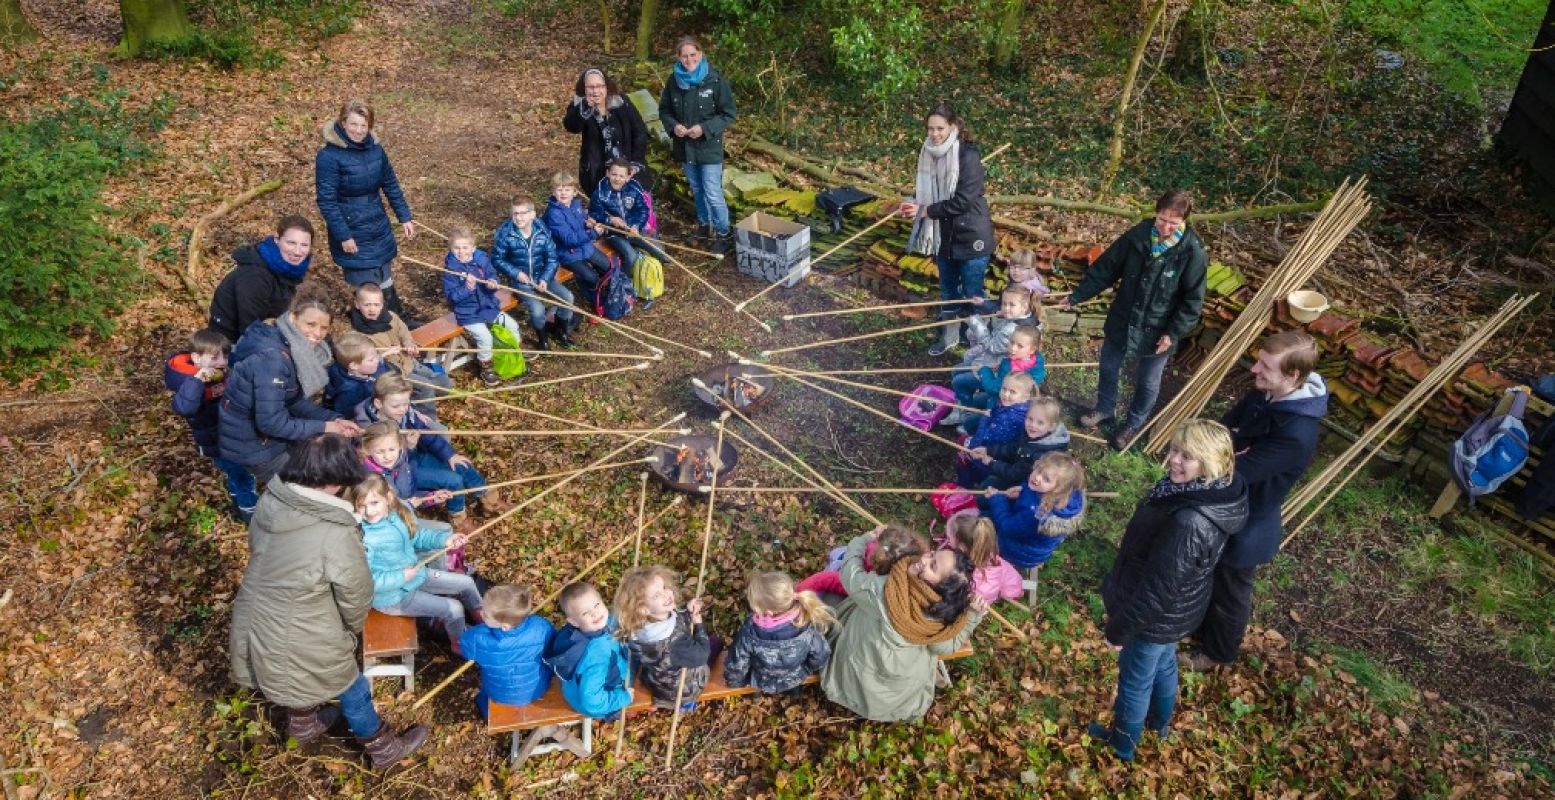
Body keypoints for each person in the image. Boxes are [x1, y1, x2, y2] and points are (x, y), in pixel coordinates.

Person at [228, 434, 428, 769]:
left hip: (258, 610)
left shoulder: (272, 500)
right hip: (306, 624)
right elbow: (356, 593)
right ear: (335, 481)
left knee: (292, 669)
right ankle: (382, 748)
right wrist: (348, 631)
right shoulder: (335, 531)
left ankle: (303, 724)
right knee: (350, 683)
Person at [1088, 419, 1248, 762]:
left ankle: (1121, 747)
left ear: (1209, 463)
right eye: (1175, 450)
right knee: (1163, 666)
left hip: (1153, 618)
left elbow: (1156, 592)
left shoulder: (1189, 522)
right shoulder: (1213, 490)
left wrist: (1119, 630)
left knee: (1134, 682)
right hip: (1180, 610)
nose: (1174, 460)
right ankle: (1159, 725)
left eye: (1187, 456)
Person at [1185, 332, 1327, 671]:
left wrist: (1218, 453)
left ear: (1292, 376)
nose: (1254, 370)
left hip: (1249, 520)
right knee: (1206, 573)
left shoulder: (1297, 433)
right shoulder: (1265, 393)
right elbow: (1223, 430)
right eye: (1259, 360)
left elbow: (1237, 470)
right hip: (1225, 503)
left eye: (1265, 365)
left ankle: (1217, 653)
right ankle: (1195, 627)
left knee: (1230, 593)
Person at [1062, 189, 1208, 450]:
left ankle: (1132, 424)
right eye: (1161, 219)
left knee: (1148, 381)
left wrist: (1173, 333)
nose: (1165, 227)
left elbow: (1192, 301)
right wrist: (1077, 296)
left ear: (1184, 221)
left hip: (1159, 328)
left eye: (1173, 223)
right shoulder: (1138, 236)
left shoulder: (1192, 252)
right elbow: (1107, 268)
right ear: (1156, 213)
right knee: (1108, 365)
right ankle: (1105, 408)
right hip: (1123, 318)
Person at [821, 526, 986, 722]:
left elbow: (849, 571)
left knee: (830, 600)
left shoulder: (881, 591)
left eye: (933, 566)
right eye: (932, 554)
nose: (923, 560)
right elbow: (945, 646)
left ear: (941, 586)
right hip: (900, 698)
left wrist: (863, 540)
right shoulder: (944, 613)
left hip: (854, 683)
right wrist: (973, 616)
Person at [220, 284, 360, 484]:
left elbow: (292, 400)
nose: (317, 334)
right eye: (310, 324)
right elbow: (271, 422)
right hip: (255, 444)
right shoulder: (273, 359)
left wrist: (333, 420)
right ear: (293, 317)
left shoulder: (292, 346)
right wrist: (326, 426)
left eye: (323, 328)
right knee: (305, 486)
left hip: (268, 435)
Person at [899, 103, 997, 357]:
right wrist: (915, 205)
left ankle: (980, 340)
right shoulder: (928, 152)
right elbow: (927, 193)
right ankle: (950, 337)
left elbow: (963, 200)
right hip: (943, 236)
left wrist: (925, 211)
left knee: (973, 292)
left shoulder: (968, 155)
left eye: (940, 128)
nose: (934, 134)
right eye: (930, 129)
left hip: (971, 234)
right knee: (948, 291)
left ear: (953, 126)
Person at [352, 474, 479, 655]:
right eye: (361, 505)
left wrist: (445, 540)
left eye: (374, 503)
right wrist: (400, 577)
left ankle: (482, 619)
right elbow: (366, 581)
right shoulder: (362, 538)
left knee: (466, 582)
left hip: (416, 574)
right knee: (454, 608)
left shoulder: (396, 516)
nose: (369, 511)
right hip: (394, 597)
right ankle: (460, 644)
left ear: (388, 499)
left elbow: (417, 536)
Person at [315, 98, 417, 322]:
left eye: (363, 125)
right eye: (353, 124)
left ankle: (396, 320)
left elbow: (390, 183)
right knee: (365, 284)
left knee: (384, 273)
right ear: (343, 123)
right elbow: (326, 201)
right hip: (352, 229)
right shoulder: (328, 157)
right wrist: (344, 235)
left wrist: (404, 216)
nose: (359, 131)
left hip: (377, 224)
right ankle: (371, 328)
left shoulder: (375, 150)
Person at [164, 329, 257, 522]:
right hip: (216, 442)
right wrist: (198, 379)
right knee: (244, 478)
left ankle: (238, 506)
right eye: (214, 357)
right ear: (196, 358)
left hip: (233, 436)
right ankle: (252, 516)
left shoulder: (222, 373)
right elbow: (184, 407)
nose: (222, 362)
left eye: (224, 356)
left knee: (237, 475)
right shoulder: (188, 381)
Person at [659, 35, 736, 250]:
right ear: (678, 57)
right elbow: (664, 110)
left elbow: (728, 114)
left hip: (709, 147)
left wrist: (704, 129)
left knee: (712, 190)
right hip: (685, 148)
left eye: (693, 54)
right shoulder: (673, 80)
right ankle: (704, 226)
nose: (689, 59)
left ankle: (723, 233)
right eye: (684, 56)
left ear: (700, 54)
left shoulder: (716, 80)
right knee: (697, 188)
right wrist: (674, 126)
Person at [613, 565, 712, 711]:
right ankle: (685, 704)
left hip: (656, 680)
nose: (666, 594)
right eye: (657, 595)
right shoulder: (674, 644)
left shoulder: (640, 627)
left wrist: (687, 611)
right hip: (680, 690)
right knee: (714, 644)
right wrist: (698, 624)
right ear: (643, 608)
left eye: (665, 587)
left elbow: (675, 621)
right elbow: (703, 654)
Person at [346, 282, 450, 416]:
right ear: (357, 304)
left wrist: (408, 343)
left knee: (443, 381)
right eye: (367, 305)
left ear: (382, 304)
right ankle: (426, 419)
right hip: (395, 372)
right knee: (426, 388)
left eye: (376, 305)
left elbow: (403, 332)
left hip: (408, 361)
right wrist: (385, 354)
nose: (372, 309)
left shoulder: (390, 317)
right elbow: (367, 361)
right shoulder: (359, 334)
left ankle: (416, 400)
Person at [207, 215, 315, 343]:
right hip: (228, 344)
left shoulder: (291, 270)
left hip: (268, 333)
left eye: (304, 245)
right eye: (291, 243)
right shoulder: (255, 276)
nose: (297, 251)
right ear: (277, 240)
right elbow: (250, 331)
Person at [723, 571, 834, 695]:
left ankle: (756, 695)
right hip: (795, 675)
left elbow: (738, 662)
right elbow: (821, 654)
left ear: (768, 611)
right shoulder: (805, 623)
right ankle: (795, 694)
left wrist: (735, 682)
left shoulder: (749, 631)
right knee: (794, 687)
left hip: (762, 678)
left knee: (756, 687)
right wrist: (807, 668)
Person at [441, 227, 525, 386]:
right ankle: (486, 367)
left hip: (488, 306)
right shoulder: (451, 270)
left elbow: (492, 275)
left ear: (473, 248)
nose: (461, 252)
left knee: (512, 325)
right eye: (457, 248)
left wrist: (493, 283)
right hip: (468, 313)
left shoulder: (481, 260)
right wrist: (467, 288)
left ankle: (516, 352)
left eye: (465, 247)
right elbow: (452, 296)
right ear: (451, 250)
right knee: (485, 337)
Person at [980, 452, 1087, 572]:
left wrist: (997, 499)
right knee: (986, 514)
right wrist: (1023, 489)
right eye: (1038, 470)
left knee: (980, 525)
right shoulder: (1062, 494)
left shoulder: (1036, 513)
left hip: (1020, 552)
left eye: (1046, 479)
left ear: (1058, 489)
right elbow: (1034, 492)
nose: (1037, 477)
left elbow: (1007, 527)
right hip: (1026, 537)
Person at [542, 582, 634, 720]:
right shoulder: (597, 657)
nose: (595, 613)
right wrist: (623, 698)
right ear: (574, 622)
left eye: (596, 605)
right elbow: (592, 702)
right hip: (594, 702)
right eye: (585, 613)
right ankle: (614, 712)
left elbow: (613, 618)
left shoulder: (593, 626)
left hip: (581, 686)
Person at [491, 201, 577, 349]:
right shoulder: (506, 234)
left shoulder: (542, 231)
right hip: (520, 281)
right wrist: (516, 273)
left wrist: (545, 278)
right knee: (538, 309)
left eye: (523, 213)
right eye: (515, 214)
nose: (518, 218)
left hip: (542, 275)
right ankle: (542, 340)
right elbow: (497, 259)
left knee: (568, 297)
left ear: (532, 214)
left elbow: (552, 258)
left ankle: (560, 331)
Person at [460, 584, 554, 719]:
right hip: (538, 688)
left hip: (500, 693)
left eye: (486, 615)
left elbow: (467, 652)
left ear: (504, 626)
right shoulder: (541, 626)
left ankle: (486, 713)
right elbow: (552, 642)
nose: (481, 613)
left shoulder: (477, 636)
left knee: (485, 693)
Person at [563, 67, 654, 196]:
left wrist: (636, 162)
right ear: (584, 89)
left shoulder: (621, 102)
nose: (595, 91)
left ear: (606, 87)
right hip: (597, 169)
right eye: (590, 87)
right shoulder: (580, 105)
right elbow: (571, 127)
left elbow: (639, 131)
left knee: (636, 204)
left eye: (599, 86)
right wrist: (584, 108)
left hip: (626, 165)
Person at [589, 158, 667, 301]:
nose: (617, 179)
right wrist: (610, 220)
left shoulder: (634, 188)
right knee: (630, 256)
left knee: (659, 251)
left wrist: (636, 225)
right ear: (607, 173)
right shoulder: (600, 193)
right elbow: (594, 215)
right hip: (613, 234)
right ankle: (624, 285)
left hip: (632, 230)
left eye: (621, 176)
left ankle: (652, 277)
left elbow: (642, 210)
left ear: (629, 177)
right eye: (614, 174)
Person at [960, 397, 1071, 489]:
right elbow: (1016, 448)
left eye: (1040, 423)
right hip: (1017, 465)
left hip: (1022, 483)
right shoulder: (1034, 434)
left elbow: (1014, 474)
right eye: (1030, 419)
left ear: (1051, 426)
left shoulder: (1039, 454)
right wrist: (989, 450)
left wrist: (991, 462)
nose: (1032, 425)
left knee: (986, 486)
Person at [794, 524, 928, 598]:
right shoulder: (912, 560)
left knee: (835, 561)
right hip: (864, 571)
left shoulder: (863, 578)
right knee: (838, 553)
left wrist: (796, 593)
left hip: (852, 582)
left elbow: (822, 579)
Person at [543, 171, 612, 311]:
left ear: (574, 192)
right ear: (553, 192)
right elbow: (569, 240)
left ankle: (605, 289)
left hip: (584, 247)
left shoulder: (575, 206)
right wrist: (593, 233)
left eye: (567, 190)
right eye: (559, 190)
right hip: (567, 253)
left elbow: (580, 222)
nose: (563, 193)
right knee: (591, 277)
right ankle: (592, 296)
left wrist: (587, 223)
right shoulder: (553, 214)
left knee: (608, 266)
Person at [946, 325, 1046, 421]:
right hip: (1004, 397)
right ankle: (966, 409)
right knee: (969, 389)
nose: (1013, 348)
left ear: (1032, 349)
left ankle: (966, 415)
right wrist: (999, 367)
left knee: (958, 384)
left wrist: (984, 370)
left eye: (1020, 346)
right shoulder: (1036, 360)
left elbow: (992, 388)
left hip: (1000, 405)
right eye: (1012, 342)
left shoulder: (1011, 369)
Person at [939, 511, 1024, 606]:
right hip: (1009, 577)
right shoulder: (981, 549)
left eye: (950, 536)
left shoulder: (982, 584)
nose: (948, 537)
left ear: (963, 547)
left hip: (1011, 590)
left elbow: (985, 599)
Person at [960, 285, 1038, 373]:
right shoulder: (1028, 317)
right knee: (967, 357)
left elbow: (992, 348)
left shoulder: (1011, 329)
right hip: (1001, 359)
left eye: (1011, 305)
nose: (1006, 308)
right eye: (1004, 304)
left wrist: (978, 325)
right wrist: (999, 317)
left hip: (997, 367)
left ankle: (976, 383)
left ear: (1024, 307)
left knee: (960, 374)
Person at [325, 332, 393, 415]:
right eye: (371, 360)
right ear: (354, 365)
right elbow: (344, 413)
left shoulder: (346, 367)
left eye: (377, 355)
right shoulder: (351, 391)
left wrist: (384, 355)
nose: (377, 360)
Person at [959, 371, 1036, 443]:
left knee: (964, 436)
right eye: (1004, 389)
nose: (1006, 394)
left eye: (1012, 392)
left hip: (986, 451)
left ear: (1025, 397)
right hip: (995, 445)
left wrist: (985, 419)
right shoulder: (1018, 406)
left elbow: (988, 439)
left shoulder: (1008, 418)